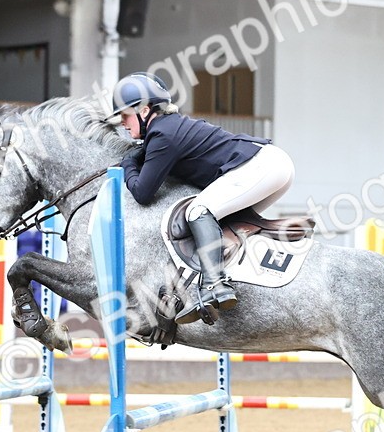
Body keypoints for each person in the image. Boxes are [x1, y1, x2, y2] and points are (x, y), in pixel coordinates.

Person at [111, 72, 295, 324]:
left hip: (263, 167)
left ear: (144, 111)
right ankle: (218, 285)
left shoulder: (162, 135)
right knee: (221, 222)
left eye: (124, 115)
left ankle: (215, 285)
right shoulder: (167, 128)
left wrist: (128, 165)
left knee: (198, 212)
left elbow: (143, 193)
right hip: (274, 167)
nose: (121, 122)